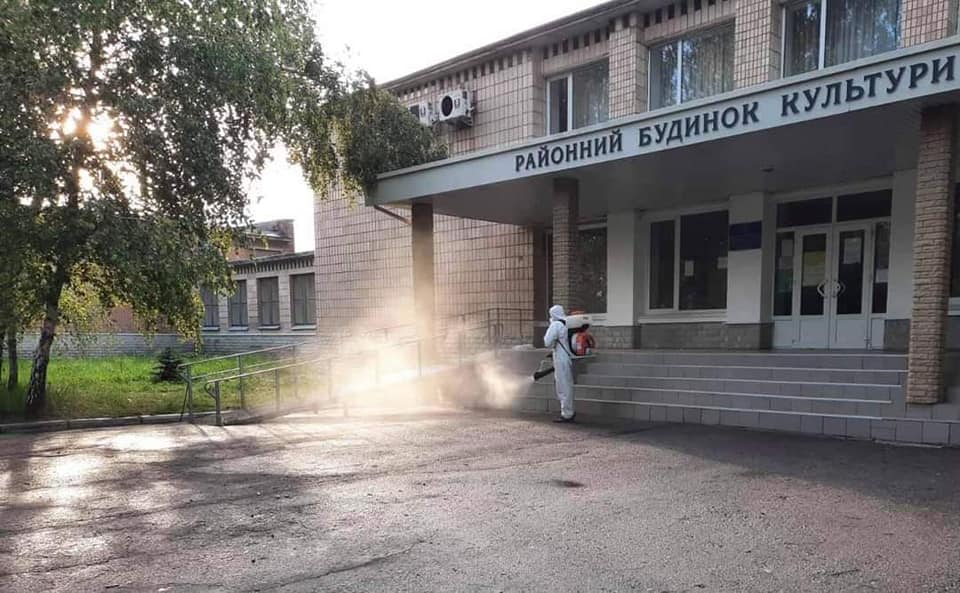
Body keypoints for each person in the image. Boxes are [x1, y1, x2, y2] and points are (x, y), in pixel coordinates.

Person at [543, 304, 575, 423]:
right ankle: (568, 411)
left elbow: (547, 342)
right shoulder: (566, 323)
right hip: (567, 356)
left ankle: (567, 414)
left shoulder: (556, 325)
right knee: (567, 384)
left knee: (562, 386)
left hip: (561, 358)